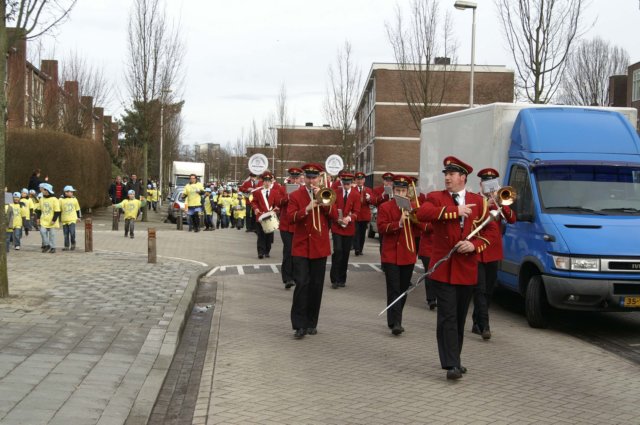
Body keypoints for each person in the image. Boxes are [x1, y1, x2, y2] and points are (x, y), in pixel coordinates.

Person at [415, 156, 496, 380]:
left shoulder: (478, 202)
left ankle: (455, 358)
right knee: (447, 316)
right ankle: (452, 363)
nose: (447, 178)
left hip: (467, 269)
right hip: (442, 268)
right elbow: (422, 214)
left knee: (459, 317)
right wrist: (455, 212)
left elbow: (490, 233)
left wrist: (474, 245)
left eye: (452, 174)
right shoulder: (435, 197)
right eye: (446, 174)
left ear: (463, 178)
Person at [289, 163, 338, 338]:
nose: (311, 181)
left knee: (316, 287)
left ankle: (311, 323)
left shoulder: (326, 194)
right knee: (302, 284)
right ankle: (298, 325)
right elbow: (290, 218)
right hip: (301, 246)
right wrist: (306, 209)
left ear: (319, 178)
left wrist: (322, 201)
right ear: (304, 178)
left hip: (319, 247)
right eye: (308, 177)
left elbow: (334, 216)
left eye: (314, 177)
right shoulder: (295, 196)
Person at [471, 168, 517, 340]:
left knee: (488, 290)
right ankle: (485, 326)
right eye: (485, 182)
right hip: (477, 250)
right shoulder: (475, 199)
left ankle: (476, 321)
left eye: (492, 182)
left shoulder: (501, 200)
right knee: (480, 289)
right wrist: (486, 205)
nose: (488, 185)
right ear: (481, 184)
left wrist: (500, 204)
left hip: (493, 252)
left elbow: (512, 219)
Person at [377, 175, 421, 335]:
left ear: (407, 191)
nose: (401, 193)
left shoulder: (413, 206)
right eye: (398, 190)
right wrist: (399, 223)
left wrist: (415, 218)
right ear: (393, 190)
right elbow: (381, 228)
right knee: (394, 289)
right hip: (391, 255)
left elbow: (422, 228)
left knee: (403, 289)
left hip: (408, 254)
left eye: (403, 190)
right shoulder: (386, 207)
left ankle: (394, 317)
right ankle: (396, 322)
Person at [329, 173, 361, 289]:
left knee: (345, 253)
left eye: (348, 183)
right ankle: (334, 279)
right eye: (344, 183)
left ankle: (342, 279)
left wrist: (349, 218)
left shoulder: (356, 195)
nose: (346, 185)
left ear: (351, 182)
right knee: (338, 251)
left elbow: (357, 211)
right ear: (341, 182)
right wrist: (336, 218)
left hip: (348, 228)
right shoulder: (336, 193)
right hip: (337, 226)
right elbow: (332, 207)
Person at [277, 167, 303, 289]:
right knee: (288, 250)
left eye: (297, 178)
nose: (295, 180)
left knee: (297, 252)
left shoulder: (303, 190)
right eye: (293, 177)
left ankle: (297, 276)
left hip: (298, 225)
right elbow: (278, 202)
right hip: (286, 225)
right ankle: (287, 278)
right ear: (290, 178)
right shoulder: (283, 189)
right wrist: (288, 196)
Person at [250, 171, 279, 259]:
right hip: (260, 216)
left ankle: (267, 251)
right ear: (263, 182)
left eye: (269, 181)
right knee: (261, 235)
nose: (267, 183)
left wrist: (276, 209)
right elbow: (253, 202)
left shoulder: (274, 192)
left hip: (270, 217)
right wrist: (255, 208)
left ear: (271, 182)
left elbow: (277, 204)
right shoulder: (258, 192)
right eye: (265, 181)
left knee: (269, 236)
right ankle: (260, 252)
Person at [352, 172, 376, 256]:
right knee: (356, 232)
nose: (359, 181)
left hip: (364, 215)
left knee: (362, 234)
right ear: (355, 180)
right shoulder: (352, 189)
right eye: (358, 179)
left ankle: (360, 249)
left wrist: (369, 198)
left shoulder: (368, 190)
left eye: (361, 179)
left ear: (364, 180)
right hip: (355, 215)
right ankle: (357, 248)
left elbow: (373, 201)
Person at [36, 183, 61, 253]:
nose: (42, 191)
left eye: (43, 190)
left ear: (47, 190)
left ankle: (53, 247)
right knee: (42, 232)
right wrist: (38, 218)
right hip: (43, 219)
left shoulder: (54, 199)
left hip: (52, 220)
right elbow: (39, 210)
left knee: (52, 234)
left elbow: (57, 211)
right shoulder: (41, 199)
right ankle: (47, 245)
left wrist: (54, 220)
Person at [59, 185, 81, 251]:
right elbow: (58, 210)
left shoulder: (74, 199)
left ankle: (73, 243)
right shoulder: (60, 200)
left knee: (72, 233)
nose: (72, 193)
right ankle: (66, 246)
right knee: (65, 234)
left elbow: (78, 209)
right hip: (64, 220)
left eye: (72, 192)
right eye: (71, 192)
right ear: (66, 192)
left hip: (72, 219)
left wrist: (79, 217)